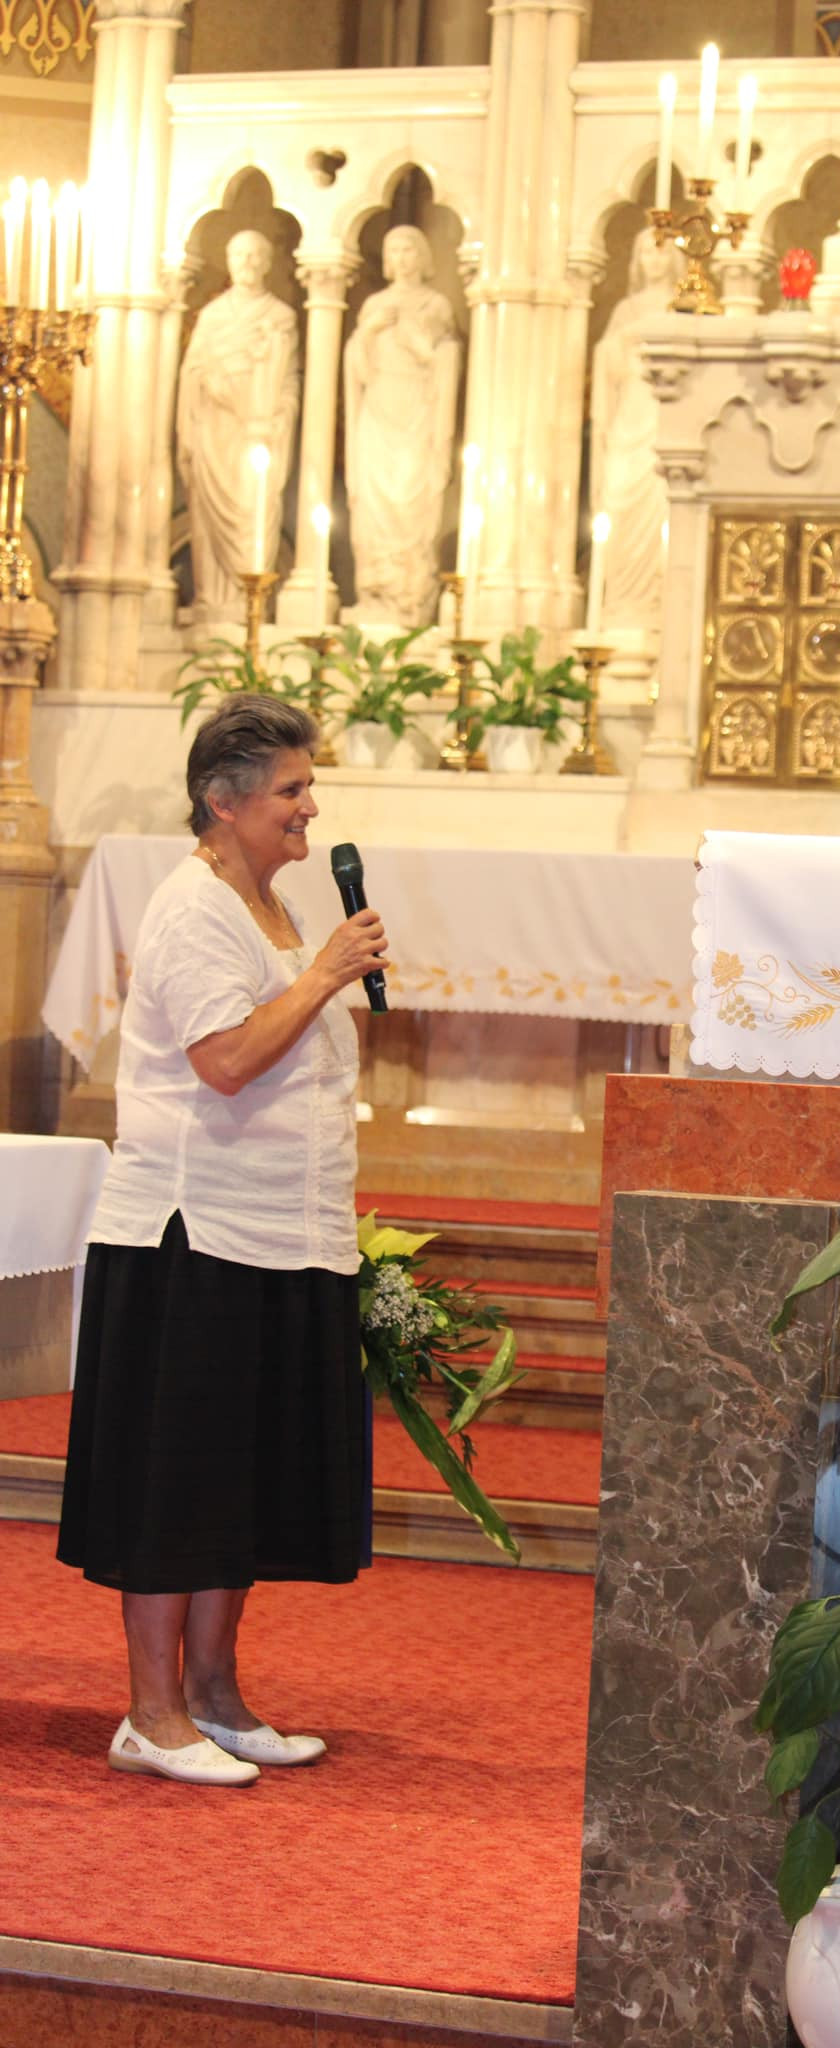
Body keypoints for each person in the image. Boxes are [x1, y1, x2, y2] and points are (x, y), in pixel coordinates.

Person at [57, 696, 388, 1786]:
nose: (309, 807)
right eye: (291, 789)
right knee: (177, 1484)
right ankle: (150, 1715)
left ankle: (214, 1696)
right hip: (191, 1234)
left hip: (281, 1231)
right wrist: (327, 972)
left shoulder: (272, 906)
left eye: (307, 786)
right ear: (222, 800)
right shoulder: (193, 907)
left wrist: (318, 966)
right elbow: (227, 1060)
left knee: (235, 1480)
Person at [176, 229, 300, 619]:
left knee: (254, 508)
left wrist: (277, 414)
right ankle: (212, 598)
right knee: (207, 511)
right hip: (215, 427)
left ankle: (250, 604)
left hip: (256, 430)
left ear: (267, 262)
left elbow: (291, 381)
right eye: (238, 255)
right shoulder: (212, 316)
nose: (246, 262)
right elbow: (192, 369)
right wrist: (206, 382)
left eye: (254, 255)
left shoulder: (280, 317)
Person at [343, 223, 459, 626]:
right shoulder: (374, 306)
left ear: (423, 257)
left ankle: (410, 593)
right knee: (373, 502)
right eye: (394, 250)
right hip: (377, 408)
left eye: (409, 250)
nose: (402, 258)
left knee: (411, 497)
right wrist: (369, 332)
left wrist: (419, 346)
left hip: (417, 410)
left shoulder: (435, 305)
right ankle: (376, 588)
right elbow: (357, 369)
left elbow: (444, 358)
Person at [589, 227, 686, 636]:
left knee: (660, 500)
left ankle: (658, 606)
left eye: (661, 252)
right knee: (620, 498)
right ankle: (622, 603)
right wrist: (626, 339)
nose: (654, 261)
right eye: (646, 252)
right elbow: (607, 363)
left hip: (665, 413)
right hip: (629, 413)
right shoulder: (626, 310)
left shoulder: (685, 304)